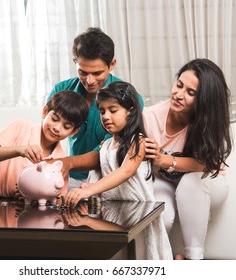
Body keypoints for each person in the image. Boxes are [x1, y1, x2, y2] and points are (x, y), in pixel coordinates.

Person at [65, 81, 173, 260]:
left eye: (113, 110)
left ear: (130, 111)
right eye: (102, 111)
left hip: (137, 213)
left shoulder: (138, 142)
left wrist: (89, 190)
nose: (106, 116)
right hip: (111, 213)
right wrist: (88, 206)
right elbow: (98, 179)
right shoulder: (106, 145)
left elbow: (125, 172)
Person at [143, 58, 232, 260]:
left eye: (190, 93)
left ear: (204, 100)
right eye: (179, 85)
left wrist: (166, 161)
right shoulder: (150, 117)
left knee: (190, 183)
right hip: (164, 182)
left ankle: (193, 260)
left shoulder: (209, 121)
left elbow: (207, 163)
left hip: (207, 182)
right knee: (161, 217)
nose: (179, 94)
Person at [46, 27, 144, 189]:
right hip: (68, 176)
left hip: (109, 181)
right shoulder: (60, 91)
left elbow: (109, 150)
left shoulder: (129, 99)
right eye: (83, 72)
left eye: (97, 73)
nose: (90, 80)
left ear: (112, 64)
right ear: (74, 62)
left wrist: (67, 163)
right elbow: (47, 137)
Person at [0, 90, 89, 201]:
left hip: (24, 206)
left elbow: (58, 198)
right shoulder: (21, 126)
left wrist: (32, 196)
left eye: (66, 127)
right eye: (54, 119)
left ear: (74, 131)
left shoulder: (61, 161)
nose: (57, 128)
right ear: (45, 112)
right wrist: (19, 150)